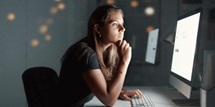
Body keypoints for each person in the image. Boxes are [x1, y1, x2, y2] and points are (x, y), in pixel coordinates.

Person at [50, 4, 143, 107]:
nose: (122, 29)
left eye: (122, 24)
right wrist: (124, 61)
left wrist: (119, 92)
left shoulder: (104, 50)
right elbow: (109, 100)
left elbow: (100, 85)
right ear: (98, 29)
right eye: (115, 24)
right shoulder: (85, 54)